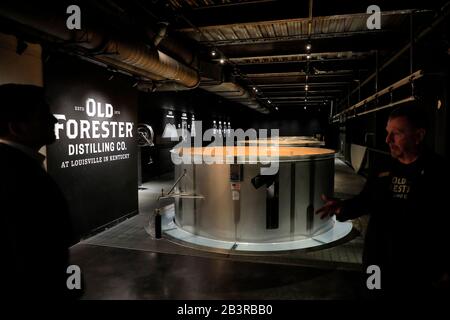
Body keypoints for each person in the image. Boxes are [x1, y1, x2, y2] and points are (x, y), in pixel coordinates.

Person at [316, 102, 449, 299]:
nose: (387, 139)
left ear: (419, 136)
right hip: (376, 261)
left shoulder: (439, 172)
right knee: (372, 294)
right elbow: (366, 201)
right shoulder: (382, 167)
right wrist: (342, 208)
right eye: (388, 132)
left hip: (418, 268)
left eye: (397, 133)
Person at [0, 83, 74, 299]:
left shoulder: (17, 167)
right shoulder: (17, 177)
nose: (55, 120)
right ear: (17, 127)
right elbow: (32, 257)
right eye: (44, 115)